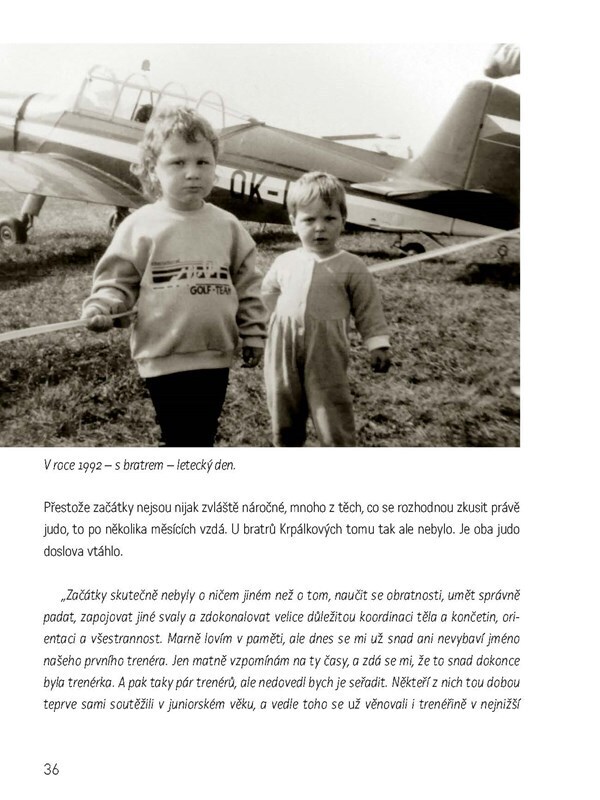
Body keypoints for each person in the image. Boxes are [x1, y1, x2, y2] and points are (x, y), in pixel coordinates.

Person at [81, 106, 267, 446]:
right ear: (153, 169)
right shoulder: (140, 225)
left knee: (202, 436)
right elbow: (117, 282)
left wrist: (253, 333)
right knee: (181, 437)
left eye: (203, 162)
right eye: (178, 163)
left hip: (215, 354)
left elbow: (248, 284)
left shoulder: (228, 226)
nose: (192, 173)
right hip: (163, 355)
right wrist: (103, 306)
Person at [262, 171, 391, 447]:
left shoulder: (352, 266)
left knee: (330, 405)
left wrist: (377, 343)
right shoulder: (285, 261)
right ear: (293, 223)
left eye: (329, 219)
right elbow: (267, 293)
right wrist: (272, 322)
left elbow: (368, 307)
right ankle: (285, 444)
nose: (319, 227)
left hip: (326, 350)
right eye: (309, 220)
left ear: (343, 221)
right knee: (283, 400)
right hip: (282, 348)